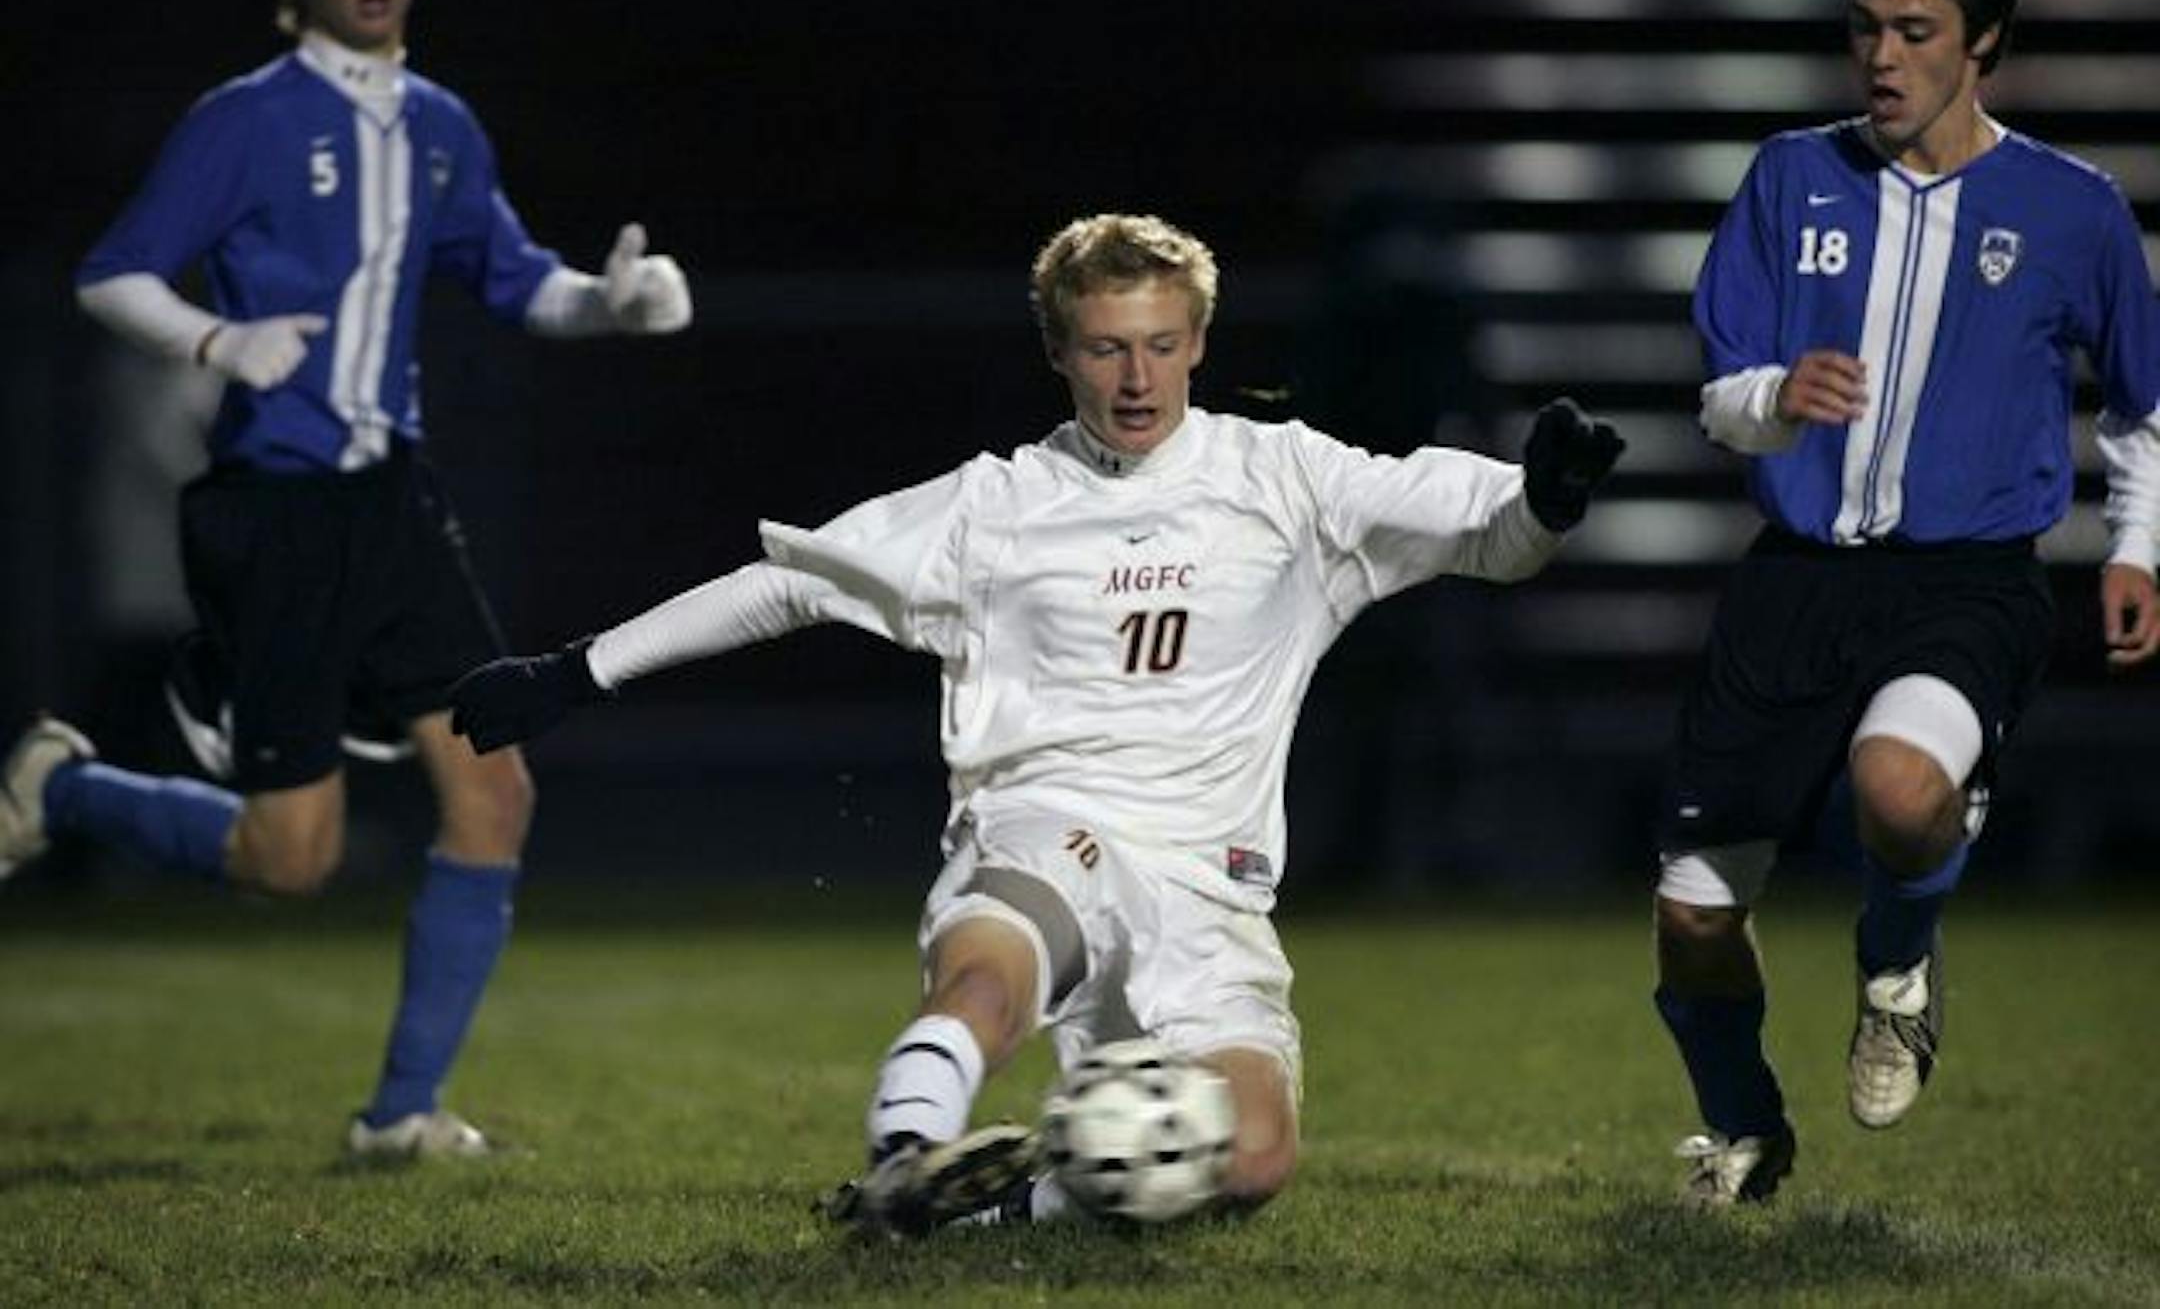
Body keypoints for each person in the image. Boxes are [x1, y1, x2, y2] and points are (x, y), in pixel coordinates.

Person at [445, 212, 1624, 1234]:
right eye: (1106, 347)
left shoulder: (1291, 483)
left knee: (1254, 1159)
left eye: (1162, 344)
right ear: (1059, 349)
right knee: (988, 984)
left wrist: (1550, 499)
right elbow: (795, 581)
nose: (1137, 377)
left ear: (1200, 342)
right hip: (1047, 829)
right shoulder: (996, 505)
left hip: (1211, 890)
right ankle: (907, 1153)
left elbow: (1492, 536)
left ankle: (987, 1211)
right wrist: (579, 669)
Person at [0, 0, 692, 1158]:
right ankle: (68, 787)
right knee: (291, 860)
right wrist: (217, 343)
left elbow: (511, 274)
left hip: (394, 503)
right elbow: (113, 276)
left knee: (495, 784)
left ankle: (398, 1117)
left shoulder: (440, 124)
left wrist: (609, 304)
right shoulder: (245, 119)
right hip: (275, 516)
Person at [1652, 0, 2159, 1207]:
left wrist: (2135, 546)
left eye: (1915, 31)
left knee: (1900, 785)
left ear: (1982, 41)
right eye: (1865, 27)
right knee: (1696, 915)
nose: (1881, 56)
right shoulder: (1789, 176)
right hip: (1796, 581)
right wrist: (1779, 396)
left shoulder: (2073, 207)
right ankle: (1748, 1129)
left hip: (1967, 581)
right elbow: (1720, 395)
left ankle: (1899, 969)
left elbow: (2140, 410)